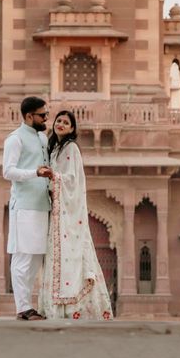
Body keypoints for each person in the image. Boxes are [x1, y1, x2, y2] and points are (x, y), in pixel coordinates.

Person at [37, 109, 113, 321]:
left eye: (66, 122)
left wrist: (54, 175)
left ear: (72, 129)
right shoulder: (54, 149)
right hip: (57, 211)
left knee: (72, 256)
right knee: (55, 256)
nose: (60, 124)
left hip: (67, 214)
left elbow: (73, 179)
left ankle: (73, 309)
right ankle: (54, 308)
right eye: (58, 120)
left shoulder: (71, 148)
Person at [3, 94, 52, 321]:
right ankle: (22, 308)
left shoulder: (42, 139)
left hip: (42, 204)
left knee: (35, 257)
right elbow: (8, 171)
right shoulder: (15, 139)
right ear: (29, 116)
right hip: (24, 206)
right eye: (43, 115)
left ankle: (28, 305)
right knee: (23, 257)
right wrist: (35, 172)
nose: (46, 119)